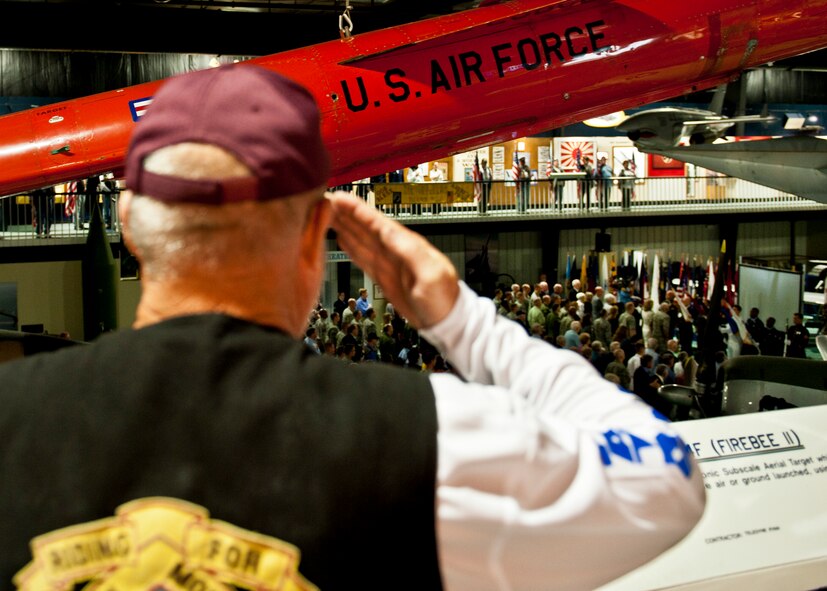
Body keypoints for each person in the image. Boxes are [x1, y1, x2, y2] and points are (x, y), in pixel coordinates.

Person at [0, 65, 704, 590]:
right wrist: (461, 320)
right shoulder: (428, 437)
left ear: (127, 226)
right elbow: (665, 480)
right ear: (316, 235)